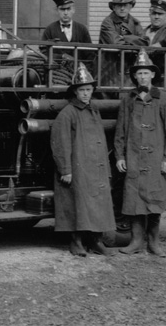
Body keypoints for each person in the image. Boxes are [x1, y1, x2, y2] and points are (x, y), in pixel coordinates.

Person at [114, 49, 166, 257]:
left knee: (155, 199)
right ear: (135, 76)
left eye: (146, 73)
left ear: (153, 75)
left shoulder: (163, 99)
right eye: (138, 73)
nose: (142, 76)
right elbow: (121, 130)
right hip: (133, 156)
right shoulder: (128, 99)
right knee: (134, 200)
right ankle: (135, 241)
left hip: (156, 157)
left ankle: (154, 242)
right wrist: (120, 156)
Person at [50, 63, 116, 257]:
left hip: (96, 168)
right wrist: (66, 170)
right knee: (76, 205)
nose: (86, 94)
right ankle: (76, 242)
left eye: (89, 90)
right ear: (75, 92)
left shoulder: (94, 111)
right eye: (82, 90)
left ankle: (96, 241)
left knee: (98, 205)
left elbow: (101, 142)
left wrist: (106, 169)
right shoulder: (67, 114)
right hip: (78, 170)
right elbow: (60, 144)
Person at [98, 0, 145, 87]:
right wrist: (134, 40)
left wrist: (124, 37)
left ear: (130, 6)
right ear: (113, 7)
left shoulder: (136, 23)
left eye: (125, 5)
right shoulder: (107, 22)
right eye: (119, 5)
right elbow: (115, 43)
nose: (122, 8)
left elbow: (144, 42)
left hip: (128, 70)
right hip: (109, 71)